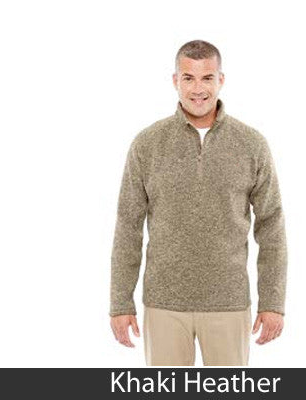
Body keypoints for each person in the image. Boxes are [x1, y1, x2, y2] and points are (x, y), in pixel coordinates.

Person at [109, 40, 288, 366]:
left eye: (207, 78)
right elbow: (128, 227)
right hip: (164, 303)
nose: (198, 89)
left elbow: (271, 226)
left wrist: (272, 301)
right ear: (175, 80)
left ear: (221, 80)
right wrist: (120, 302)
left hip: (229, 302)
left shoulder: (251, 144)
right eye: (188, 78)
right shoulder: (147, 144)